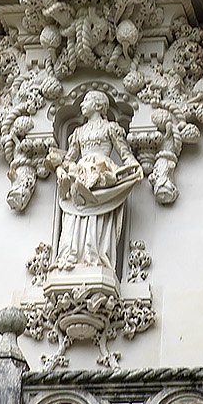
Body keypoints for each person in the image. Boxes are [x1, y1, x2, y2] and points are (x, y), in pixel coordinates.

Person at [53, 90, 142, 270]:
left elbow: (124, 153)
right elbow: (70, 158)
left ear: (99, 105)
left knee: (99, 215)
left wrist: (135, 167)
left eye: (86, 101)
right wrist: (62, 169)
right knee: (74, 215)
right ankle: (71, 254)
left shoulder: (110, 128)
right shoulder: (78, 132)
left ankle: (94, 257)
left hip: (101, 173)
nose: (82, 104)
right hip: (80, 174)